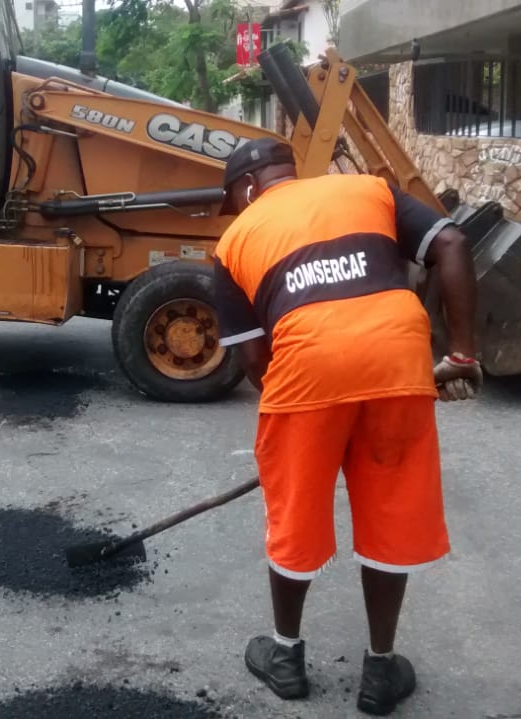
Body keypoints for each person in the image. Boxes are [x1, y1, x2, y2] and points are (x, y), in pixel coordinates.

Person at [212, 138, 481, 715]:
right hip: (398, 362)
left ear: (250, 187)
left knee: (296, 517)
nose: (237, 213)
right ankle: (380, 671)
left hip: (304, 374)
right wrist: (458, 355)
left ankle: (285, 657)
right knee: (391, 512)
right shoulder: (371, 189)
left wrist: (301, 430)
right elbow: (453, 242)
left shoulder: (232, 242)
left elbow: (257, 364)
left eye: (234, 199)